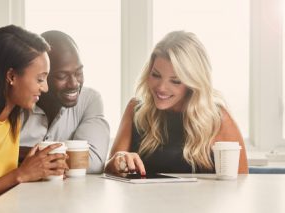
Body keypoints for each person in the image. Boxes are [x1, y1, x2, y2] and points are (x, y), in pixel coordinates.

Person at [104, 31, 248, 176]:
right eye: (156, 75)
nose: (161, 88)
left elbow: (241, 184)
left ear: (192, 83)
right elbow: (110, 170)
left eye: (175, 81)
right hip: (146, 199)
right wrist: (118, 161)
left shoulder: (218, 120)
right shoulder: (135, 110)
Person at [0, 25, 68, 211]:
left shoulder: (12, 119)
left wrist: (38, 171)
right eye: (39, 79)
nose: (45, 88)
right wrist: (20, 175)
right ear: (11, 76)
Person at [19, 30, 110, 173]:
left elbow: (92, 162)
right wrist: (72, 153)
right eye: (62, 76)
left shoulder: (90, 100)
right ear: (42, 75)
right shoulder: (20, 100)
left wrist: (24, 154)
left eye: (79, 73)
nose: (74, 84)